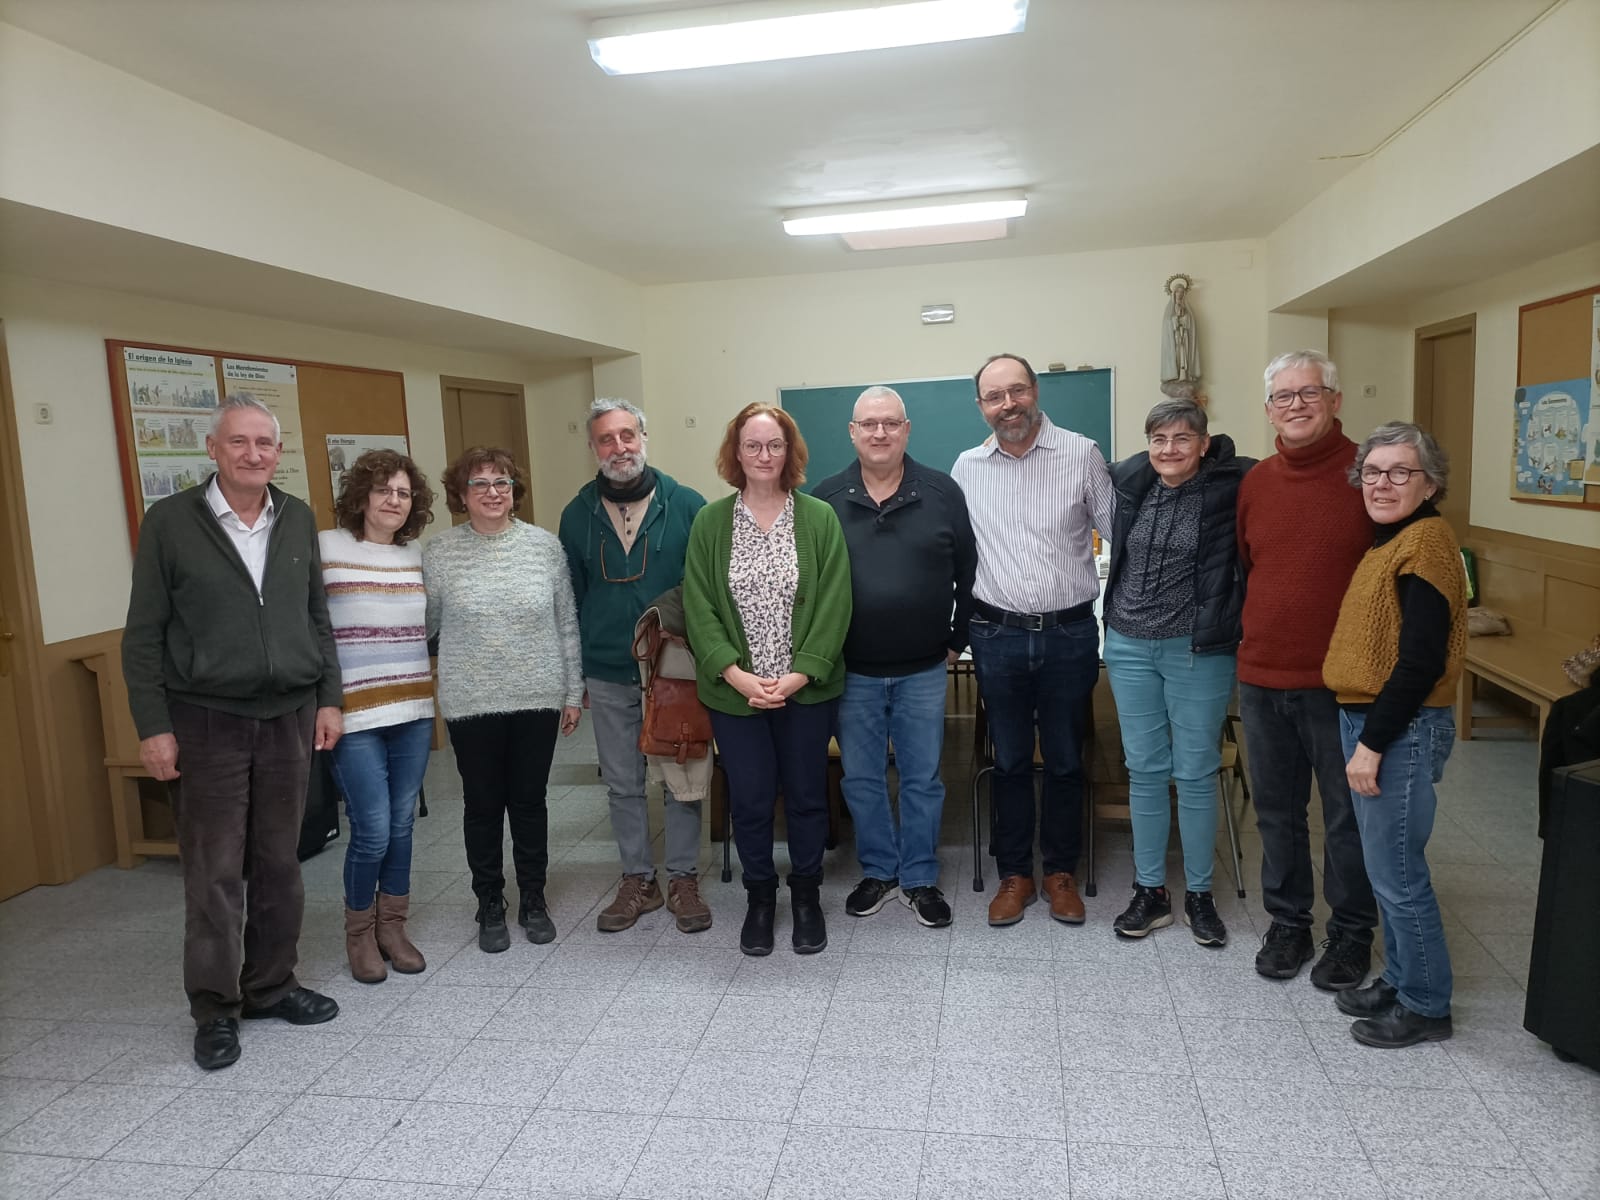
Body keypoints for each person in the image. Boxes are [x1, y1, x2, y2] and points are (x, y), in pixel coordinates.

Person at [122, 394, 343, 1071]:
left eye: (266, 445)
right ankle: (216, 1007)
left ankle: (271, 985)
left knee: (282, 863)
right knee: (214, 873)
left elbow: (316, 618)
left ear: (279, 454)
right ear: (213, 449)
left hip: (290, 717)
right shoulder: (170, 522)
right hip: (206, 720)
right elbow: (144, 634)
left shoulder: (298, 517)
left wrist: (328, 699)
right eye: (239, 442)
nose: (254, 455)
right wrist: (154, 726)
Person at [951, 353, 1114, 927]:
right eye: (994, 397)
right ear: (981, 407)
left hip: (1069, 632)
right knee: (1012, 761)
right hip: (995, 635)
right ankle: (1015, 873)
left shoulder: (1082, 453)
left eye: (1016, 391)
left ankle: (1060, 871)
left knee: (1068, 760)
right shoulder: (967, 466)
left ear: (1035, 391)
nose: (1008, 405)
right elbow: (956, 554)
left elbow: (1117, 534)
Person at [683, 404, 851, 956]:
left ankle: (805, 895)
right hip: (737, 696)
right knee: (751, 801)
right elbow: (700, 604)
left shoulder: (819, 518)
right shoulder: (711, 522)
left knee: (806, 798)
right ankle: (760, 898)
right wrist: (735, 674)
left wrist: (800, 674)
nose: (763, 455)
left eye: (774, 445)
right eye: (752, 445)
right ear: (736, 453)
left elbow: (834, 603)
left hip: (806, 692)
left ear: (789, 452)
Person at [1236, 350, 1377, 988]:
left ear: (1336, 400)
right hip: (1263, 676)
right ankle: (1288, 923)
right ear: (1268, 408)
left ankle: (1350, 933)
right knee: (1277, 812)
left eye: (1310, 393)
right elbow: (1249, 566)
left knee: (1347, 816)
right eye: (1283, 396)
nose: (1296, 405)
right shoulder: (1258, 481)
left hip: (1341, 685)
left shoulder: (1367, 477)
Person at [1323, 423, 1466, 1048]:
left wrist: (1371, 744)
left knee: (1399, 875)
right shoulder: (1397, 539)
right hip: (1373, 719)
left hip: (1398, 729)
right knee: (1386, 869)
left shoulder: (1427, 545)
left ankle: (1427, 1005)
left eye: (1400, 472)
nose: (1382, 483)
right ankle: (1405, 978)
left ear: (1429, 482)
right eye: (1373, 472)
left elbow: (1420, 662)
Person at [813, 386, 976, 928]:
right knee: (860, 778)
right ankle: (879, 870)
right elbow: (808, 586)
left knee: (922, 778)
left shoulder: (941, 491)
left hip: (924, 669)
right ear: (853, 433)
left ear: (907, 430)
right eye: (869, 424)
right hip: (851, 670)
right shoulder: (826, 499)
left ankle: (921, 876)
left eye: (890, 423)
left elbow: (971, 572)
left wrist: (958, 637)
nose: (879, 433)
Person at [1103, 400, 1254, 945]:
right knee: (1144, 769)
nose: (1170, 449)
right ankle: (1150, 892)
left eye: (1182, 438)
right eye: (1159, 438)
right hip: (1127, 643)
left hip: (1198, 647)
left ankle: (1198, 894)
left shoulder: (1231, 486)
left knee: (1194, 771)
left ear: (1204, 443)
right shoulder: (1129, 482)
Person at [558, 398, 710, 934]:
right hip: (607, 666)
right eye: (606, 439)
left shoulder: (689, 504)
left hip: (675, 667)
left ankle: (684, 879)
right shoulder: (577, 515)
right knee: (622, 782)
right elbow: (571, 599)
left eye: (627, 435)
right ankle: (638, 880)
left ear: (644, 437)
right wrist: (576, 680)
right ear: (594, 447)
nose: (618, 447)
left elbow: (708, 589)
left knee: (681, 774)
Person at [424, 447, 582, 953]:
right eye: (480, 483)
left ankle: (533, 898)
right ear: (461, 495)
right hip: (471, 702)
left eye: (503, 482)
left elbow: (565, 624)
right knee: (483, 805)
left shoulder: (543, 547)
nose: (493, 492)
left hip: (537, 697)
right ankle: (489, 900)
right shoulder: (440, 553)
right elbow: (427, 627)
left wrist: (572, 691)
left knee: (530, 804)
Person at [320, 449, 436, 983]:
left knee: (402, 825)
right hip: (353, 713)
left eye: (404, 493)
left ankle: (393, 927)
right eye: (383, 490)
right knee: (371, 829)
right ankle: (359, 934)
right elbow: (310, 632)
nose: (393, 500)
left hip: (412, 708)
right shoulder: (327, 547)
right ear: (361, 495)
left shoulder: (418, 557)